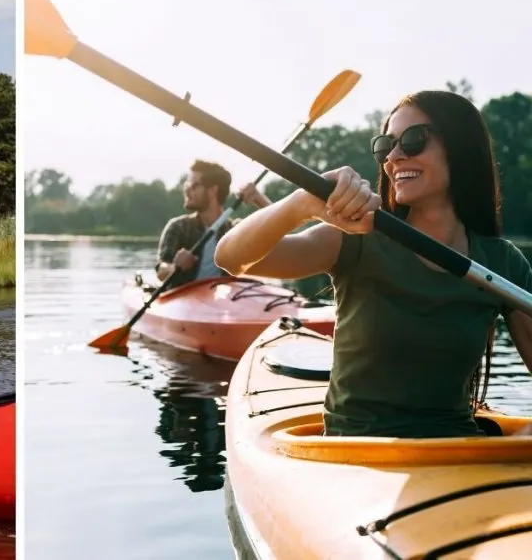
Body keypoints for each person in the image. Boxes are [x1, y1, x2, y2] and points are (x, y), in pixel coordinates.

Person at [213, 90, 532, 438]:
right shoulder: (357, 236)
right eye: (385, 146)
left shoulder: (502, 263)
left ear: (461, 147)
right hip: (355, 451)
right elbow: (230, 258)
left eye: (412, 140)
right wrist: (301, 204)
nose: (393, 157)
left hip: (458, 452)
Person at [155, 159, 271, 289]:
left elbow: (279, 230)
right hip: (182, 300)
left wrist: (258, 198)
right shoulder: (178, 227)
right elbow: (161, 270)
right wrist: (175, 268)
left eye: (193, 185)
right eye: (186, 185)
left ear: (212, 191)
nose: (187, 191)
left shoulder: (235, 231)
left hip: (221, 303)